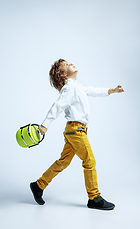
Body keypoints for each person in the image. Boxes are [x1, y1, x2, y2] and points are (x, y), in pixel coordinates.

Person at [30, 59, 124, 210]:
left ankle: (38, 185)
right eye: (66, 65)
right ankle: (94, 197)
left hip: (72, 131)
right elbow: (58, 105)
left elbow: (94, 91)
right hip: (76, 131)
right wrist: (44, 125)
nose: (71, 64)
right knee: (89, 161)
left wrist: (112, 90)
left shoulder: (77, 87)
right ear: (63, 74)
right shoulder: (69, 88)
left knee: (63, 162)